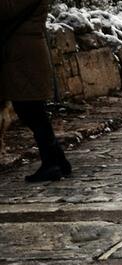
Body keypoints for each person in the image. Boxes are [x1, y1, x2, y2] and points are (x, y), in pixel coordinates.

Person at [1, 0, 71, 182]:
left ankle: (51, 164)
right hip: (22, 53)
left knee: (30, 110)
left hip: (25, 56)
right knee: (32, 111)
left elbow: (7, 10)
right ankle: (58, 160)